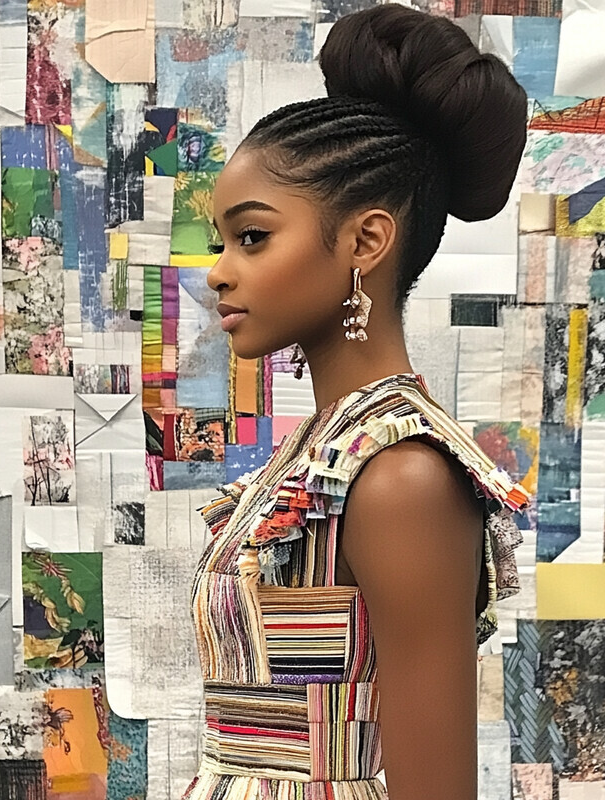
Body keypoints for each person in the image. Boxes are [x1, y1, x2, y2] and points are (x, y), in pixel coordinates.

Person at [182, 5, 530, 799]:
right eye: (220, 243)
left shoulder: (401, 477)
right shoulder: (322, 456)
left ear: (366, 242)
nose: (219, 273)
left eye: (252, 237)